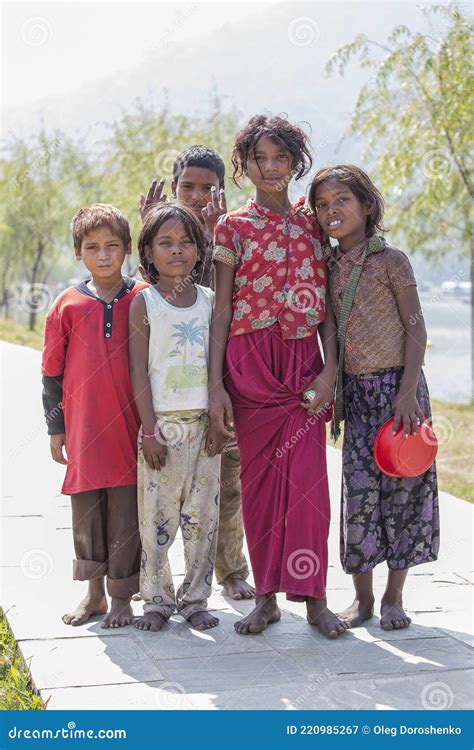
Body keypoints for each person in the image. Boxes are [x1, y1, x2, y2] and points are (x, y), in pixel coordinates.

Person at [208, 115, 350, 638]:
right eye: (258, 159)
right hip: (249, 363)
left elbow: (330, 308)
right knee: (261, 486)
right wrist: (216, 383)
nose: (269, 168)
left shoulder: (314, 222)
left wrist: (330, 369)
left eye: (279, 158)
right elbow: (222, 311)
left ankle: (314, 599)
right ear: (243, 165)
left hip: (303, 361)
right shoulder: (233, 228)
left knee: (309, 485)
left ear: (296, 162)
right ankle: (265, 598)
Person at [309, 165, 440, 630]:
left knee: (403, 490)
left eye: (342, 200)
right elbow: (327, 327)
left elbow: (416, 328)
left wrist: (407, 394)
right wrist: (332, 379)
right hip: (357, 394)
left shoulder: (391, 261)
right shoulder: (323, 266)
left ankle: (393, 598)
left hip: (399, 391)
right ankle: (361, 600)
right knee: (359, 494)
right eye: (322, 204)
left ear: (366, 205)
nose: (332, 210)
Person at [138, 145, 255, 601]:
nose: (199, 196)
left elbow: (230, 302)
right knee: (164, 493)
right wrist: (154, 224)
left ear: (222, 191)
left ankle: (230, 569)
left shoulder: (229, 236)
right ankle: (157, 584)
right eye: (188, 187)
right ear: (174, 188)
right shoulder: (163, 235)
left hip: (222, 386)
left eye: (209, 188)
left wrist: (215, 240)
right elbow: (149, 304)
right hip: (171, 394)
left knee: (227, 480)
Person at [41, 203, 147, 628]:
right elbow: (51, 371)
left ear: (126, 250)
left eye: (112, 246)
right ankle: (94, 594)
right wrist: (56, 427)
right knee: (86, 510)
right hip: (83, 429)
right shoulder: (66, 304)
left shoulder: (143, 298)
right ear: (78, 253)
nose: (103, 255)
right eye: (92, 247)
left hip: (131, 427)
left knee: (126, 510)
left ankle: (123, 596)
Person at [129, 203, 223, 631]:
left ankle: (197, 598)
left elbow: (219, 366)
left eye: (186, 242)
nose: (177, 250)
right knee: (157, 518)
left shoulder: (209, 300)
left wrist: (221, 422)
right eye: (165, 243)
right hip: (160, 426)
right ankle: (156, 599)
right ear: (148, 252)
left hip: (204, 425)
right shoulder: (143, 303)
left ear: (200, 249)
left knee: (203, 516)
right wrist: (149, 429)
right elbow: (138, 371)